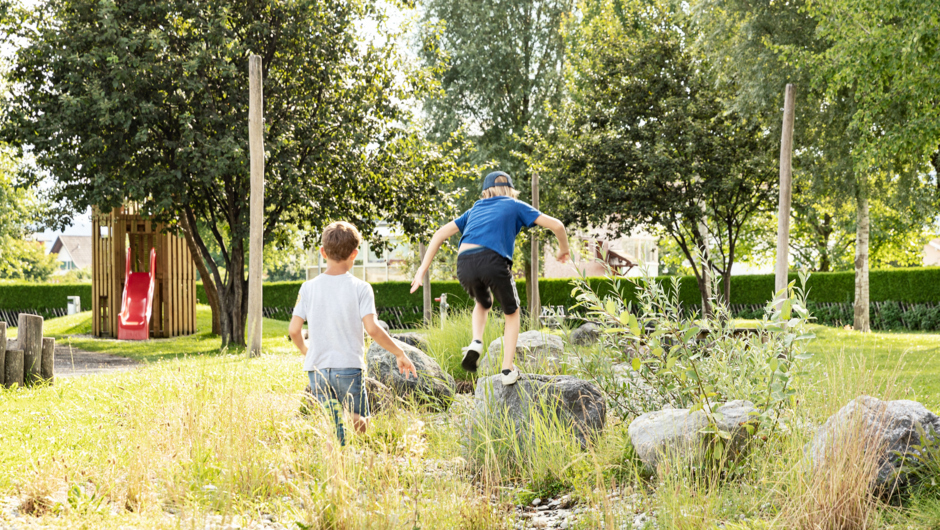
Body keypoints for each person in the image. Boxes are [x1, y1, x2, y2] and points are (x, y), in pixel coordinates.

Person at [410, 171, 570, 385]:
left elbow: (439, 234)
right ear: (511, 190)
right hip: (493, 259)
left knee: (483, 302)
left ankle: (476, 342)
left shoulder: (475, 208)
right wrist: (563, 249)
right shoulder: (515, 204)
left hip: (464, 262)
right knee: (512, 312)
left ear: (486, 191)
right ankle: (507, 370)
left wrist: (422, 270)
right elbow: (557, 225)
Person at [289, 221, 417, 445]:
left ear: (322, 252)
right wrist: (399, 353)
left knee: (331, 423)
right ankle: (352, 455)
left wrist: (305, 351)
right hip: (348, 367)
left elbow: (293, 330)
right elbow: (373, 329)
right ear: (355, 253)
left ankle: (338, 458)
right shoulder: (361, 288)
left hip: (316, 369)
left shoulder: (307, 288)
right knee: (362, 423)